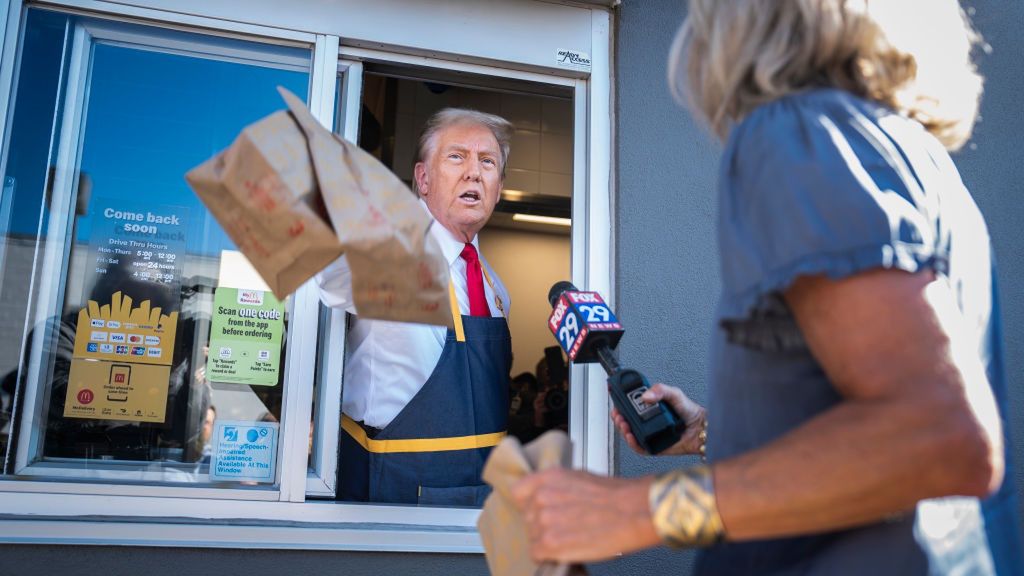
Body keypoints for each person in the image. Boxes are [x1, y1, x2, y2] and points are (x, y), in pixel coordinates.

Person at [511, 1, 1023, 574]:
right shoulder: (914, 155)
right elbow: (872, 423)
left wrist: (637, 510)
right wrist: (711, 435)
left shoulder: (800, 135)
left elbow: (938, 439)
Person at [317, 108, 514, 506]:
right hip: (393, 497)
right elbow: (329, 274)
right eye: (457, 157)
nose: (474, 172)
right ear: (423, 179)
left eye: (487, 162)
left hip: (480, 504)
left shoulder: (495, 288)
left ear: (499, 187)